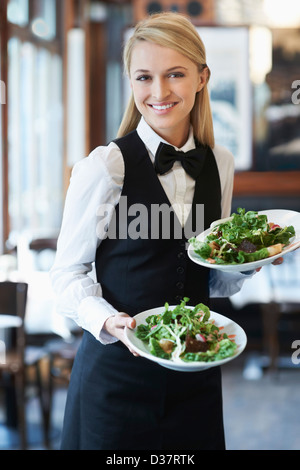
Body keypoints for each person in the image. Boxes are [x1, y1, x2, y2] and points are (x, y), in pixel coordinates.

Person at [50, 12, 281, 450]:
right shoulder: (104, 166)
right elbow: (65, 275)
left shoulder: (221, 164)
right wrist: (108, 321)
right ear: (130, 82)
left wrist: (249, 262)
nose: (158, 92)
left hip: (196, 376)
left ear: (201, 77)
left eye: (175, 74)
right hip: (116, 379)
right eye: (144, 77)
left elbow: (213, 279)